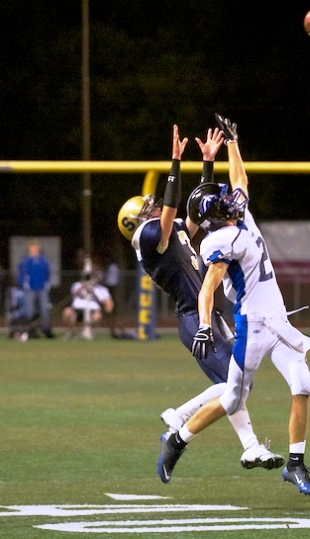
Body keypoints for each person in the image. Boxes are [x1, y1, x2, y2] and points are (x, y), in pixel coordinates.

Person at [157, 114, 310, 497]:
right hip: (253, 326)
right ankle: (177, 439)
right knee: (232, 398)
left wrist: (233, 143)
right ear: (213, 218)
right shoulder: (217, 242)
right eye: (222, 204)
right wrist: (203, 325)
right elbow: (208, 288)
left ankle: (295, 464)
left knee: (303, 384)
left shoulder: (235, 213)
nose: (231, 201)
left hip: (278, 321)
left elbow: (240, 180)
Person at [117, 124, 284, 474]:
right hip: (194, 319)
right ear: (137, 223)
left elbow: (196, 211)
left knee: (235, 384)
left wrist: (208, 163)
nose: (154, 207)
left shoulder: (168, 232)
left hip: (208, 314)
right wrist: (176, 161)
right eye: (147, 208)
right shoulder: (149, 238)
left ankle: (245, 445)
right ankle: (186, 421)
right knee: (234, 383)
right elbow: (172, 206)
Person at [17, 239, 54, 338]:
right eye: (32, 248)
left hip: (42, 289)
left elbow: (47, 273)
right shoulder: (25, 261)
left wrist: (47, 284)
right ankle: (30, 331)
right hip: (29, 289)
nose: (34, 250)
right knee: (29, 311)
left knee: (45, 309)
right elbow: (21, 275)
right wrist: (23, 285)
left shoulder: (43, 260)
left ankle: (47, 331)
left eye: (35, 248)